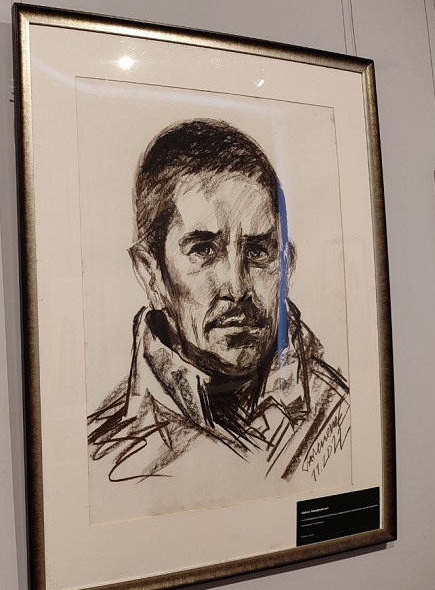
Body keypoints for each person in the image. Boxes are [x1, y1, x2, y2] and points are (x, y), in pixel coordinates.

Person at [88, 118, 350, 488]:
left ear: (286, 266)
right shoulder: (100, 457)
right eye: (204, 250)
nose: (237, 287)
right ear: (150, 273)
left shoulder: (342, 417)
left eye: (258, 251)